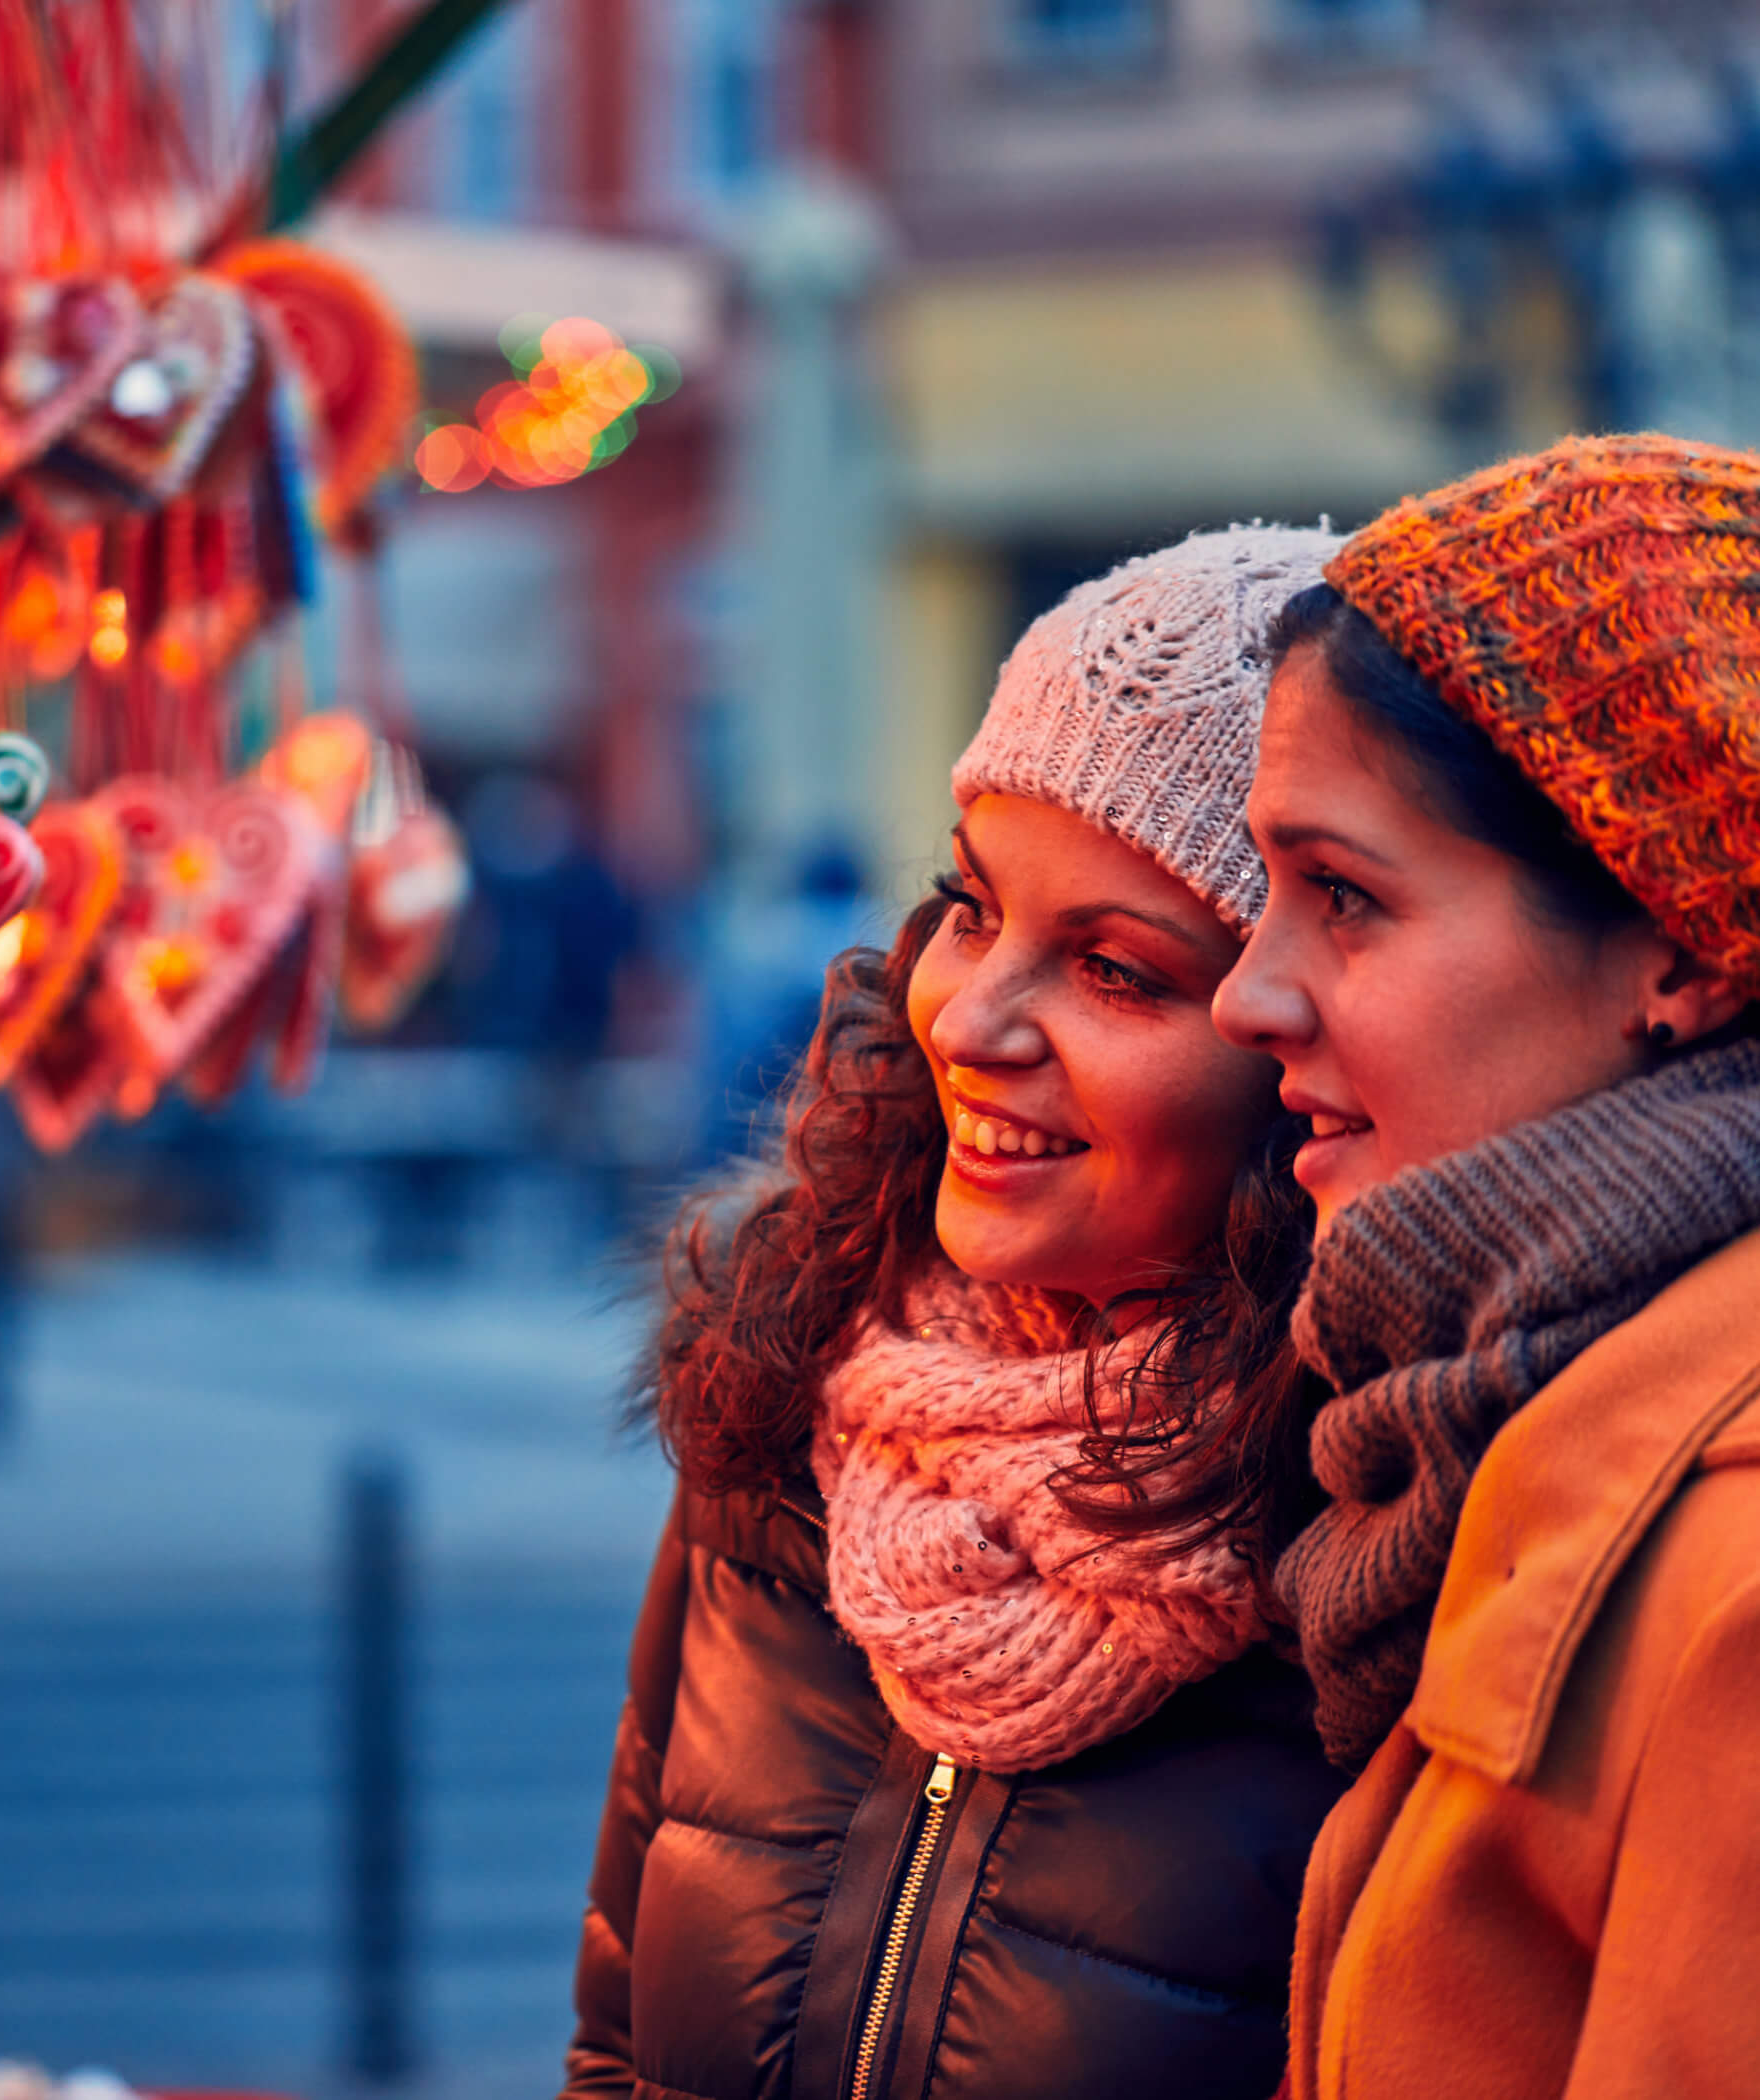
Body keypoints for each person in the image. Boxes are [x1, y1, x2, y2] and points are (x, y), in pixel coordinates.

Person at [562, 527, 1349, 2100]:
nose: (971, 1019)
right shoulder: (795, 1392)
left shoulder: (1377, 1544)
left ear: (1302, 1045)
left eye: (1118, 972)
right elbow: (618, 2044)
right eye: (972, 907)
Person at [1212, 433, 1760, 2100]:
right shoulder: (1490, 1425)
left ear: (1670, 945)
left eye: (1345, 899)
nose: (1250, 995)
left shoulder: (1733, 1567)